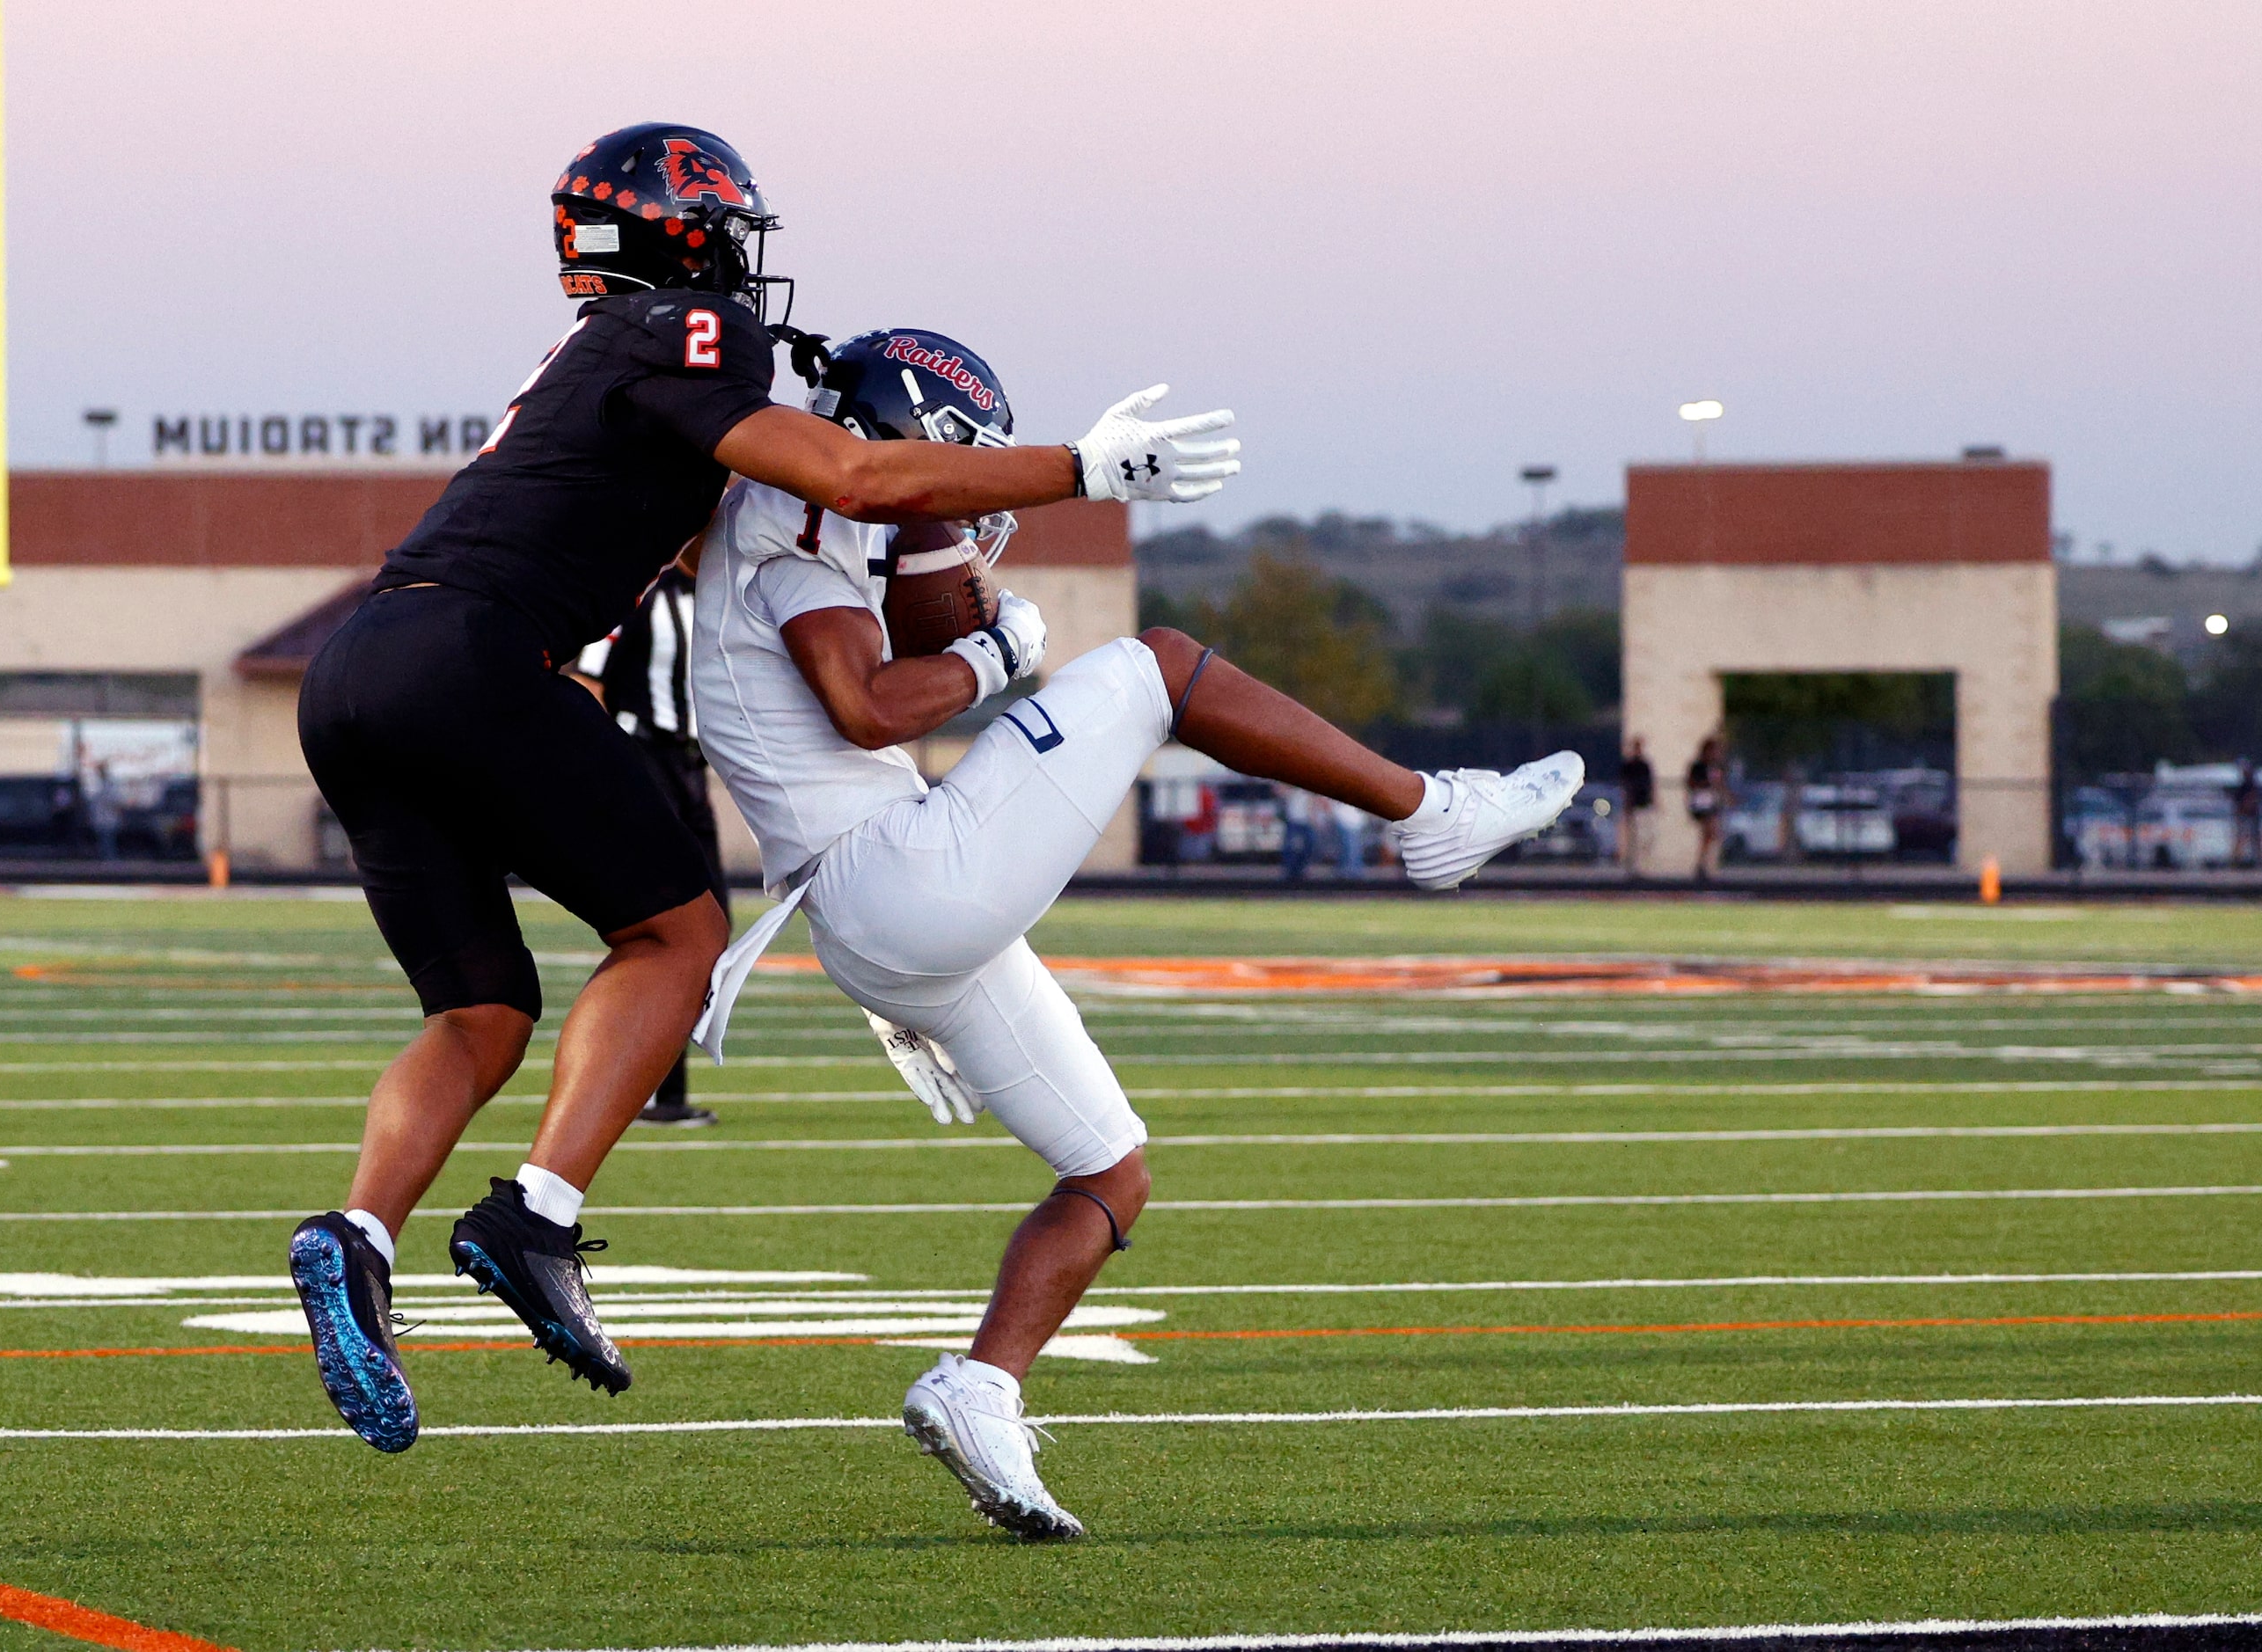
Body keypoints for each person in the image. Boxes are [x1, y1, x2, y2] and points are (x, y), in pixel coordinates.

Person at [286, 125, 1242, 1456]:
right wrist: (1085, 470)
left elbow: (763, 514)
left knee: (481, 1010)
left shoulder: (585, 368)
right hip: (481, 655)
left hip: (353, 674)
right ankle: (537, 1219)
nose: (742, 262)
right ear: (678, 238)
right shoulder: (675, 330)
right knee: (674, 935)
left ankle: (356, 1233)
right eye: (727, 229)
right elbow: (846, 475)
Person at [687, 327, 1580, 1539]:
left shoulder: (806, 520)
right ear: (904, 430)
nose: (965, 489)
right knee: (1158, 665)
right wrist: (993, 652)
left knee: (1110, 1169)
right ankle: (1434, 812)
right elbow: (862, 706)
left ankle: (980, 1385)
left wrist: (950, 609)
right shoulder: (794, 520)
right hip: (896, 874)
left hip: (883, 893)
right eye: (957, 458)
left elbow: (858, 661)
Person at [577, 568, 724, 1126]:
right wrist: (598, 776)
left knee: (710, 931)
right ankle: (651, 1093)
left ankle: (658, 1091)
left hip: (690, 769)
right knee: (670, 930)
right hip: (642, 760)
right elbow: (590, 685)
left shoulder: (720, 594)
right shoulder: (636, 594)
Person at [1686, 734, 1728, 881]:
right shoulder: (1698, 766)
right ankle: (1701, 865)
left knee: (1711, 834)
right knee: (1709, 831)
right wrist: (1707, 784)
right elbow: (1692, 783)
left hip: (1711, 803)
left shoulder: (1716, 767)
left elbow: (1720, 786)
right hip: (1701, 803)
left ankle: (1703, 864)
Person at [1617, 735, 1654, 874]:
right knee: (1633, 837)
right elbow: (1625, 786)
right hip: (1633, 806)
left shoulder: (1645, 765)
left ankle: (1643, 866)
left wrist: (1654, 800)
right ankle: (1633, 867)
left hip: (1644, 804)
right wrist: (1627, 803)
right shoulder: (1628, 766)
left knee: (1645, 837)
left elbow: (1650, 784)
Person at [2234, 759, 2259, 869]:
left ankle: (2255, 860)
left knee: (2252, 838)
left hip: (2251, 814)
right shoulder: (2245, 784)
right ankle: (2238, 860)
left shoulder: (2251, 784)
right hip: (2246, 814)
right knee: (2242, 837)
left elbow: (2253, 799)